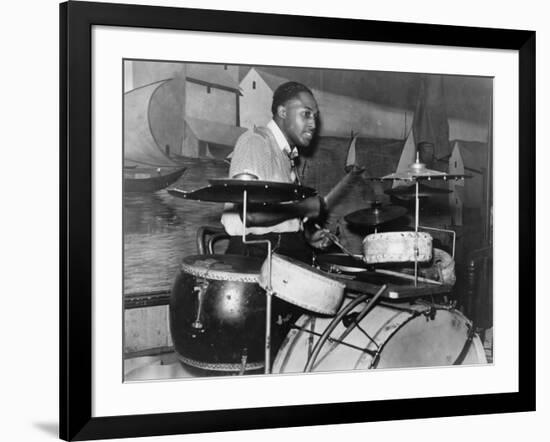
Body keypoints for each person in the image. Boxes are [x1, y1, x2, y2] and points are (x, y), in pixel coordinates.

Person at [221, 81, 332, 263]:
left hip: (277, 252)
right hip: (255, 257)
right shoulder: (255, 142)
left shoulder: (286, 155)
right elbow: (251, 214)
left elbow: (277, 221)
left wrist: (306, 238)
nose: (313, 124)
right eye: (306, 114)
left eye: (315, 117)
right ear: (283, 112)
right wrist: (304, 207)